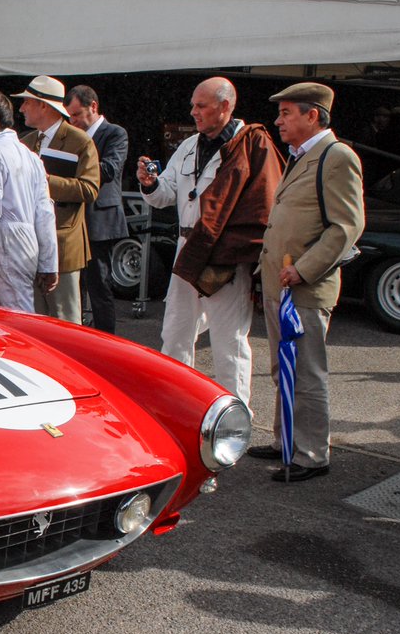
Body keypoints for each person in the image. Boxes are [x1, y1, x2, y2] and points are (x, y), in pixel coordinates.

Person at [137, 77, 282, 408]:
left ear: (225, 107)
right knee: (175, 333)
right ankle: (175, 405)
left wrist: (240, 251)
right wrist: (149, 184)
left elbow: (264, 203)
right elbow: (165, 195)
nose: (194, 112)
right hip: (187, 250)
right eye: (193, 105)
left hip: (224, 254)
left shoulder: (251, 144)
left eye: (201, 106)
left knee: (228, 341)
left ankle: (236, 415)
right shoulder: (189, 146)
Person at [248, 82, 365, 483]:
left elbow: (346, 226)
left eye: (286, 113)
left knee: (307, 370)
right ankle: (286, 440)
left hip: (304, 286)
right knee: (284, 366)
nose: (278, 121)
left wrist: (305, 269)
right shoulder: (303, 156)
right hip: (281, 282)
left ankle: (312, 454)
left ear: (312, 114)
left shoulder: (336, 157)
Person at [12, 76, 99, 324]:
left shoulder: (80, 140)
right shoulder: (25, 142)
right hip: (30, 243)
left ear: (43, 105)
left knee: (66, 320)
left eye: (27, 102)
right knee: (33, 319)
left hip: (64, 244)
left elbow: (90, 189)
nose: (21, 108)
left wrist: (44, 180)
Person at [0, 90, 58, 313]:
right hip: (24, 243)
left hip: (6, 242)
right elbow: (45, 213)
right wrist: (48, 263)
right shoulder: (31, 157)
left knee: (18, 317)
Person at [64, 85, 128, 333]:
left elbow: (110, 169)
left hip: (99, 218)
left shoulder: (115, 133)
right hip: (73, 216)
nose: (74, 121)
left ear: (94, 107)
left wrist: (72, 169)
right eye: (70, 116)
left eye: (77, 114)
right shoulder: (70, 135)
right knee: (72, 285)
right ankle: (78, 333)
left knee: (99, 285)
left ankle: (105, 339)